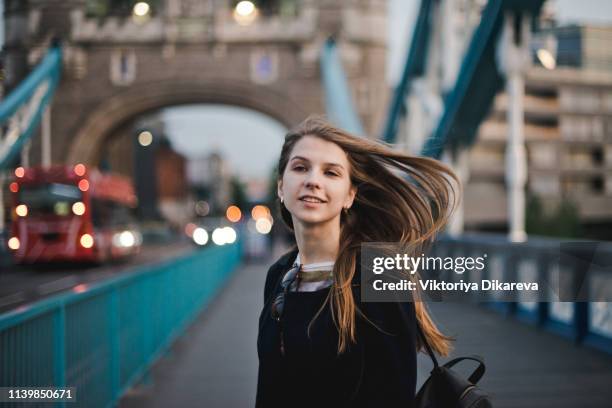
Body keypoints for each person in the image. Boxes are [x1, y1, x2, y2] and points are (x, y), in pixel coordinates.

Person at [256, 116, 460, 407]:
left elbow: (395, 396)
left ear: (350, 195)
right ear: (280, 187)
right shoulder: (279, 275)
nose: (313, 180)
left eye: (331, 173)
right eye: (300, 167)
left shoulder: (378, 274)